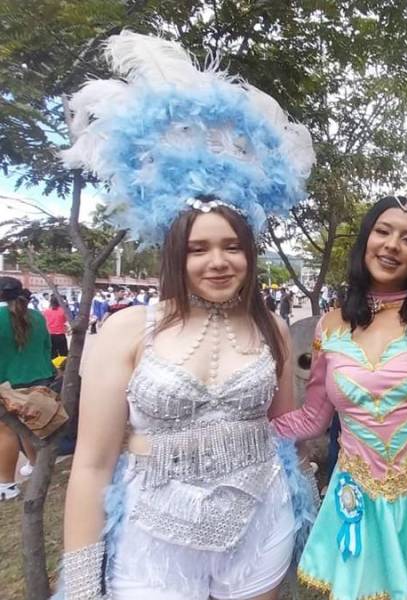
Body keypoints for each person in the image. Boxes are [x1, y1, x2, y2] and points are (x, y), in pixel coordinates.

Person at [57, 31, 316, 599]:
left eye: (233, 246)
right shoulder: (128, 330)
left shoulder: (270, 326)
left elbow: (286, 432)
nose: (218, 262)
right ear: (176, 253)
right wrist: (80, 584)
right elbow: (93, 465)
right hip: (153, 540)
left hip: (260, 524)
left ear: (250, 253)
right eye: (199, 249)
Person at [272, 195, 407, 599]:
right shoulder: (330, 326)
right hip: (360, 498)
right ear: (366, 239)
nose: (391, 245)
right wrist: (247, 430)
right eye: (382, 232)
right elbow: (314, 417)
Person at [0, 276, 53, 499]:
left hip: (8, 383)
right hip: (40, 380)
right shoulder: (37, 316)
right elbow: (46, 348)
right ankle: (33, 465)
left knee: (7, 432)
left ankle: (6, 485)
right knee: (30, 427)